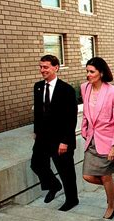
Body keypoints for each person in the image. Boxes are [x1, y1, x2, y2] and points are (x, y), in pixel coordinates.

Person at [30, 54, 79, 211]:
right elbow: (38, 112)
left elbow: (71, 118)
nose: (42, 70)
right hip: (42, 138)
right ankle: (54, 185)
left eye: (46, 67)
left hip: (61, 139)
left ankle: (72, 199)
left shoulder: (67, 90)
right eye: (41, 67)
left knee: (66, 171)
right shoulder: (38, 87)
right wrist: (36, 131)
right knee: (36, 164)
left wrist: (65, 141)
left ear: (56, 68)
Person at [80, 57, 114, 219]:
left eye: (92, 72)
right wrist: (84, 130)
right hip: (91, 140)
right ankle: (112, 185)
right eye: (87, 71)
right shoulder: (85, 88)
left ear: (101, 73)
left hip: (107, 141)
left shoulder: (113, 92)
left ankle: (111, 206)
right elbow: (86, 113)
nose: (88, 75)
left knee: (105, 176)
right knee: (88, 176)